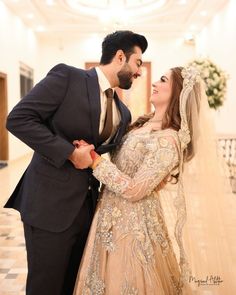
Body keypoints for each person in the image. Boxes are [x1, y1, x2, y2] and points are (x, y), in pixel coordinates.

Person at [4, 30, 148, 295]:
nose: (139, 71)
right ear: (120, 57)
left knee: (74, 285)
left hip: (88, 210)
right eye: (138, 62)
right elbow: (18, 119)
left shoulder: (123, 112)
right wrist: (69, 153)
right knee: (46, 286)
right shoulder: (67, 77)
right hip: (49, 206)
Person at [72, 66, 236, 294]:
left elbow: (134, 191)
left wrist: (94, 161)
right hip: (109, 216)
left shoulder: (169, 140)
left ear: (178, 92)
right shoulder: (142, 124)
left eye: (162, 80)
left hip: (134, 225)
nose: (154, 84)